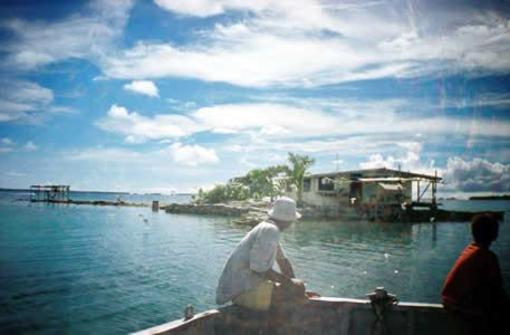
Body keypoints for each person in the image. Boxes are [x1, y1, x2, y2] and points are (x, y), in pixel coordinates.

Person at [216, 196, 309, 311]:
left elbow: (283, 262)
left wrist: (294, 285)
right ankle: (275, 324)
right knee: (292, 295)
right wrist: (292, 285)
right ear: (288, 219)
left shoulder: (268, 228)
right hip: (242, 291)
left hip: (244, 287)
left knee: (297, 288)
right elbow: (258, 268)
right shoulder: (270, 230)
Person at [441, 213, 509, 334]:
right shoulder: (487, 257)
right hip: (461, 310)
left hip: (450, 304)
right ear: (494, 234)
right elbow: (497, 291)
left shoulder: (469, 250)